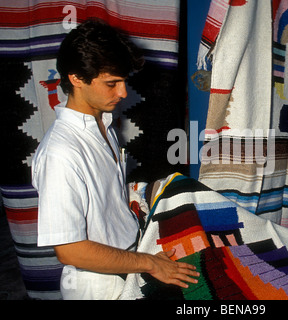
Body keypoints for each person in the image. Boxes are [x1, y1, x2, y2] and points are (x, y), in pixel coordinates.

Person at [31, 19, 198, 300]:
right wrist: (150, 263)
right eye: (112, 83)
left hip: (127, 262)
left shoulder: (103, 125)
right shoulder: (61, 153)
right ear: (76, 78)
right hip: (98, 286)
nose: (122, 93)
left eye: (123, 81)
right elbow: (69, 250)